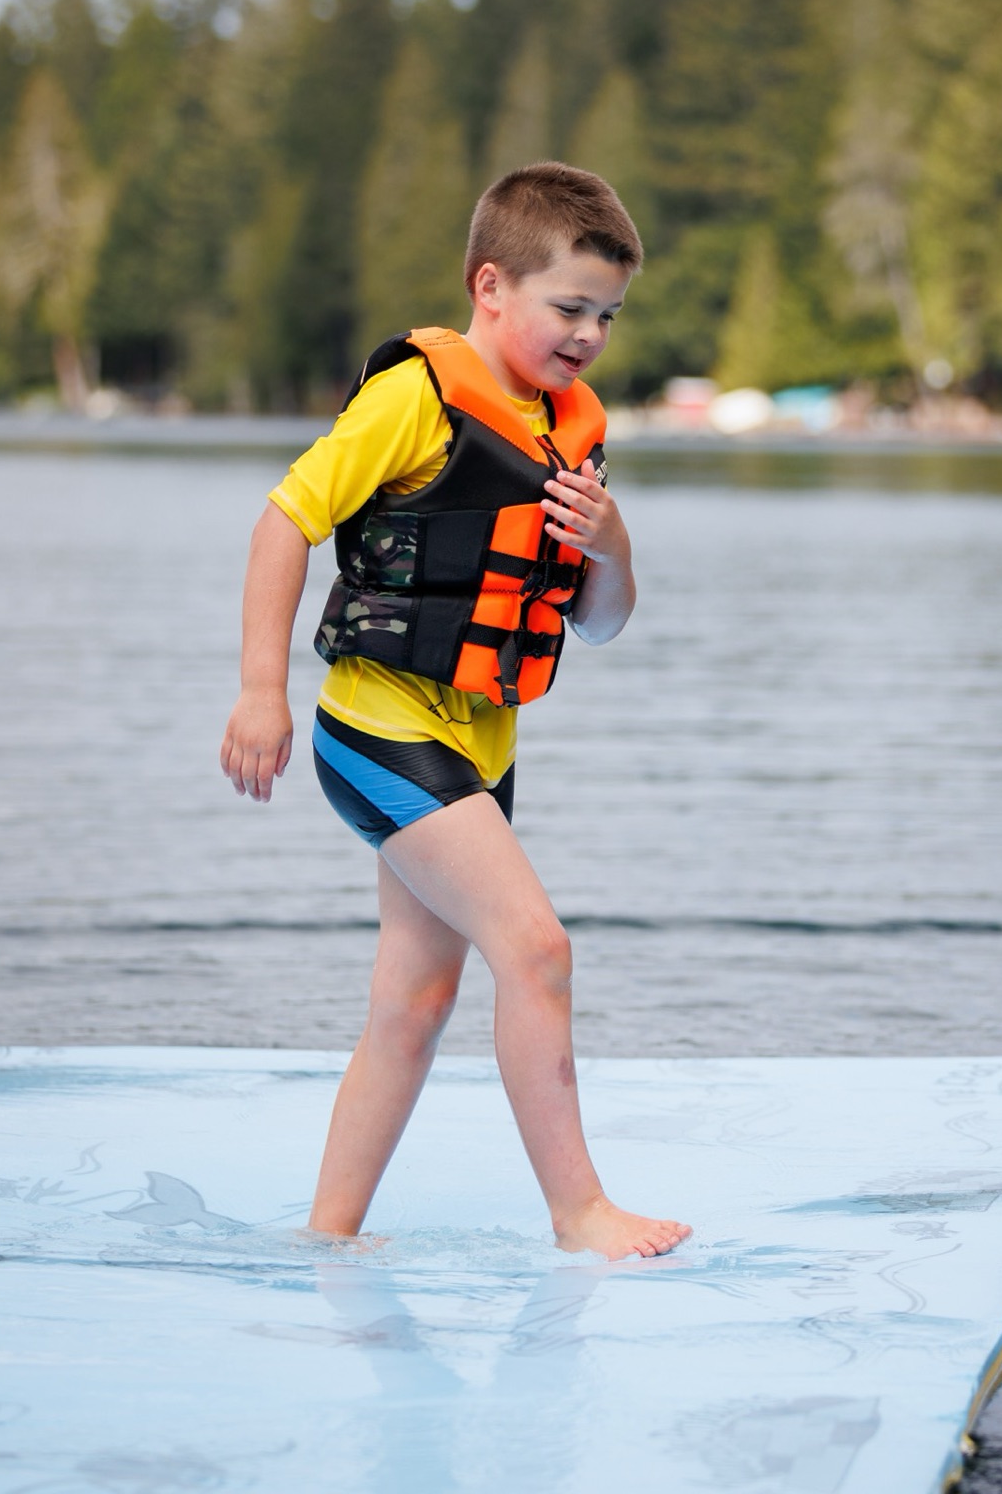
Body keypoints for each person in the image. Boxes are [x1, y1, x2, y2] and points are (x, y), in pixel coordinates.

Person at [219, 162, 691, 1261]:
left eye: (608, 316)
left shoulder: (568, 432)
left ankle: (328, 1233)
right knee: (536, 951)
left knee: (416, 998)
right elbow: (283, 522)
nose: (589, 336)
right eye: (569, 308)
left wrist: (613, 546)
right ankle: (580, 1213)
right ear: (490, 286)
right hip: (379, 729)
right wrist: (259, 690)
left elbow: (600, 623)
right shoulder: (414, 400)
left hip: (479, 743)